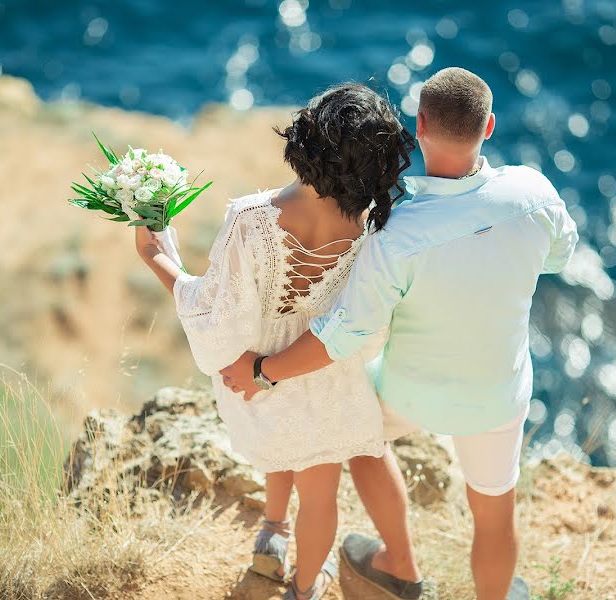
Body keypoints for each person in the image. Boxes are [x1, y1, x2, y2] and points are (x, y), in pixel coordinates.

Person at [221, 67, 579, 600]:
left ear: (421, 125)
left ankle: (400, 567)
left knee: (360, 435)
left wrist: (260, 371)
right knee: (495, 516)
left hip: (409, 392)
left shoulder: (396, 230)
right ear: (489, 127)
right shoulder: (535, 194)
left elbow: (339, 337)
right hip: (494, 397)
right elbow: (560, 256)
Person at [134, 83, 417, 600]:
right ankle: (304, 588)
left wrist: (157, 255)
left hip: (260, 371)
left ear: (305, 143)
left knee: (279, 445)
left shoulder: (251, 218)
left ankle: (272, 531)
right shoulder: (377, 223)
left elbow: (215, 308)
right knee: (322, 496)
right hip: (328, 374)